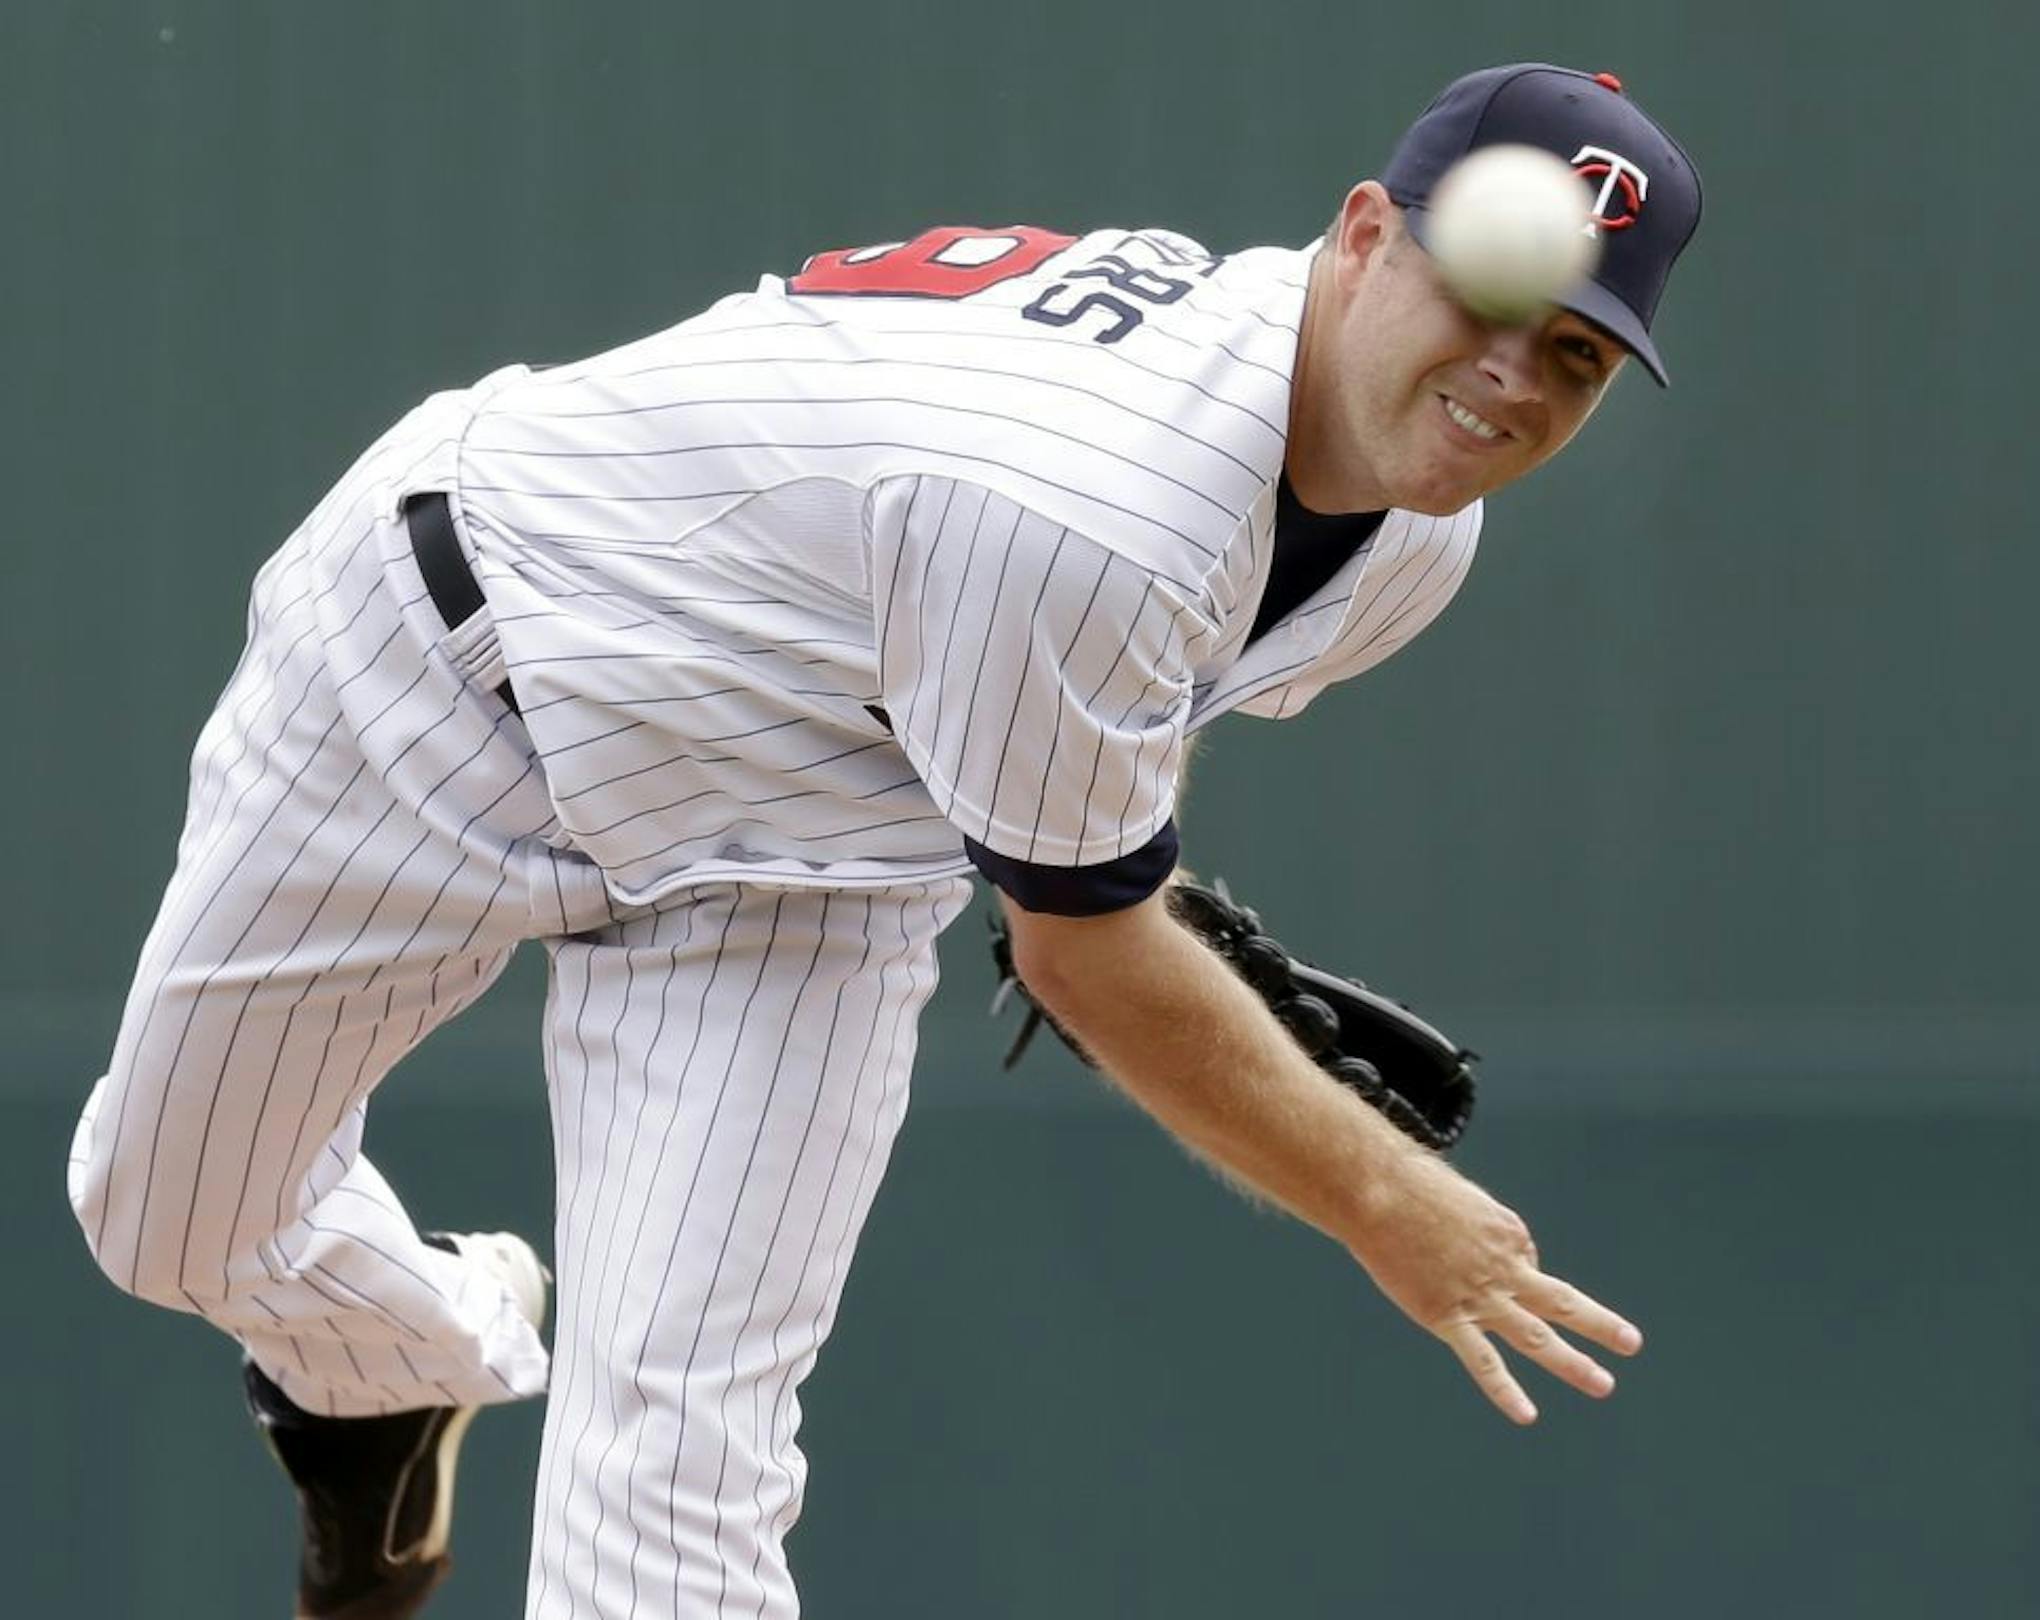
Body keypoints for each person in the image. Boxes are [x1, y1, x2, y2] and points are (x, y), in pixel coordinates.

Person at [67, 60, 1701, 1620]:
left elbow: (1074, 802)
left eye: (1575, 353)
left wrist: (1122, 900)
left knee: (684, 1459)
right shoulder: (1097, 496)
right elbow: (1083, 943)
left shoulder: (1411, 544)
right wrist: (1383, 1198)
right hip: (457, 668)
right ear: (1360, 231)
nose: (1512, 372)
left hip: (813, 861)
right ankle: (392, 1368)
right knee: (164, 1218)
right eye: (1486, 289)